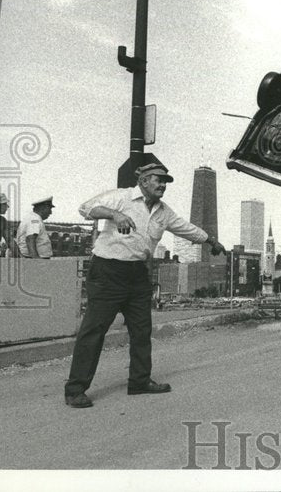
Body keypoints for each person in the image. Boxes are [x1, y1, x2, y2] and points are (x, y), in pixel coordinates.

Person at [63, 161, 227, 408]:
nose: (163, 185)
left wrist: (211, 242)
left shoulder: (163, 211)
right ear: (143, 181)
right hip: (108, 271)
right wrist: (114, 214)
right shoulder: (121, 198)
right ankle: (75, 389)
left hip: (138, 274)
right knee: (94, 331)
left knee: (141, 330)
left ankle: (139, 381)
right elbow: (85, 208)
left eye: (165, 182)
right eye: (158, 180)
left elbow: (185, 228)